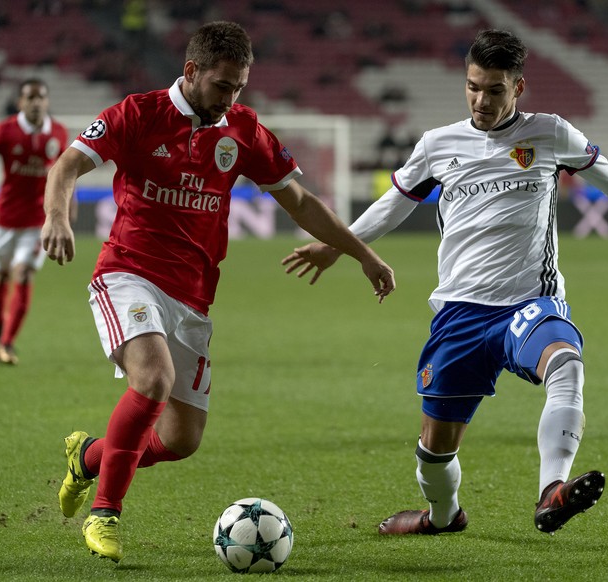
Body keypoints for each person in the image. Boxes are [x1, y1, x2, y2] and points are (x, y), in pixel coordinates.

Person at [282, 29, 608, 537]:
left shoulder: (550, 133)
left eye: (494, 90)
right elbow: (393, 204)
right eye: (473, 86)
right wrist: (334, 246)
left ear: (518, 87)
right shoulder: (438, 145)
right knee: (434, 454)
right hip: (459, 313)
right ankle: (442, 516)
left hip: (529, 302)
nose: (481, 100)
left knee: (565, 362)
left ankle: (552, 492)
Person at [40, 21, 395, 563]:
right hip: (128, 273)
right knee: (152, 379)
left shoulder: (243, 131)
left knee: (182, 440)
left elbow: (298, 201)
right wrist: (57, 217)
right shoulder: (137, 114)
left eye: (239, 88)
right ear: (191, 72)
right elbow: (67, 165)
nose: (230, 98)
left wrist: (362, 253)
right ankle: (105, 513)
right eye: (222, 86)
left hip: (193, 297)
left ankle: (88, 458)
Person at [0, 78, 70, 364]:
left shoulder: (59, 133)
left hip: (39, 219)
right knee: (1, 274)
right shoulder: (4, 131)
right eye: (30, 97)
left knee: (23, 273)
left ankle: (8, 342)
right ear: (20, 102)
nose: (36, 102)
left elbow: (66, 172)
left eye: (41, 97)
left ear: (47, 102)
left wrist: (65, 208)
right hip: (5, 218)